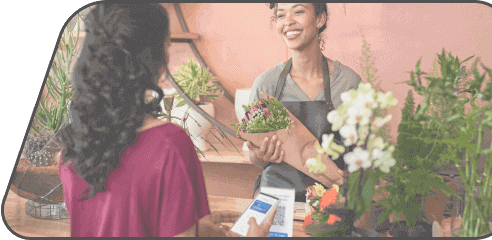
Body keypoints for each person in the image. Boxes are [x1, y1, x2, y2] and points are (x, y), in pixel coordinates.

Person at [58, 3, 275, 237]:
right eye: (167, 44)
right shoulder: (169, 144)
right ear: (152, 59)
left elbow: (114, 220)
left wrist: (196, 229)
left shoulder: (73, 147)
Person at [247, 3, 362, 202]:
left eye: (298, 11)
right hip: (277, 202)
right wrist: (261, 155)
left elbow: (361, 156)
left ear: (320, 19)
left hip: (331, 206)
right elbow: (255, 159)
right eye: (281, 15)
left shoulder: (348, 83)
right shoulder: (266, 85)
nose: (288, 21)